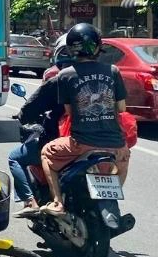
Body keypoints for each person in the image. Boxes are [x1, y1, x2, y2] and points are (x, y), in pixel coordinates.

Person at [40, 23, 130, 216]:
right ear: (97, 46)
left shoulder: (65, 75)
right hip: (116, 145)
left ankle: (57, 202)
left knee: (47, 153)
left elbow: (69, 111)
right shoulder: (113, 71)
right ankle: (112, 196)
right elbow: (122, 108)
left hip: (81, 144)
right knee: (124, 159)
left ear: (71, 48)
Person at [8, 42, 73, 217]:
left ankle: (30, 202)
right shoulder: (101, 77)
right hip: (100, 142)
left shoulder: (58, 81)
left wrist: (23, 116)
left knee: (14, 158)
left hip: (66, 142)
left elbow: (31, 108)